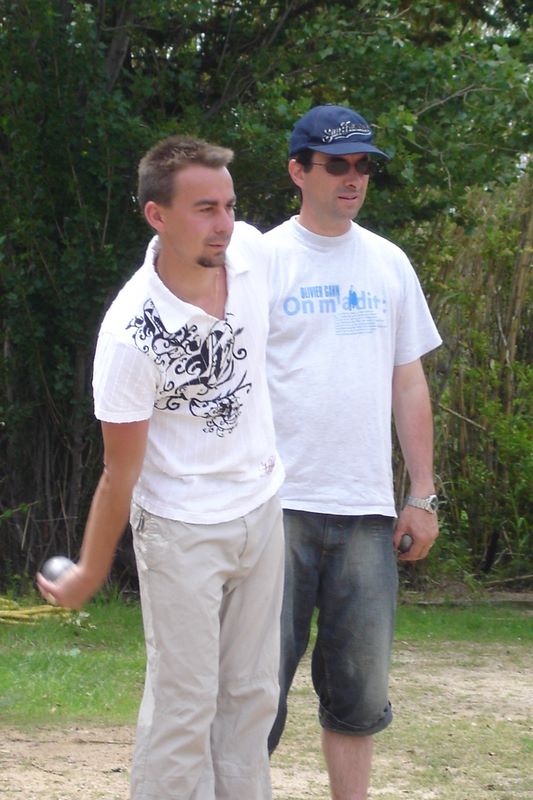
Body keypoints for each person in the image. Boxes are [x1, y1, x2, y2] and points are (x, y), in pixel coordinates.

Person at [36, 135, 285, 800]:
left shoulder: (252, 256)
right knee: (185, 704)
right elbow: (119, 473)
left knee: (253, 696)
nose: (224, 224)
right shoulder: (131, 334)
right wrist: (90, 572)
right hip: (180, 527)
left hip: (261, 508)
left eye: (229, 206)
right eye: (205, 209)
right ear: (157, 215)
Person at [265, 105, 442, 800]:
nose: (353, 177)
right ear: (297, 171)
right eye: (336, 163)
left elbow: (409, 382)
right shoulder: (260, 260)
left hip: (367, 512)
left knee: (359, 693)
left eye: (363, 165)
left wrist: (421, 493)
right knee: (255, 688)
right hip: (273, 508)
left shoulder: (388, 262)